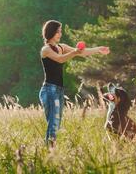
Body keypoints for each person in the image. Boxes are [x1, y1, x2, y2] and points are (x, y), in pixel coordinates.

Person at [39, 20, 110, 148]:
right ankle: (49, 150)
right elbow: (60, 59)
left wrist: (99, 49)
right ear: (51, 32)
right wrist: (74, 52)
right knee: (54, 122)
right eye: (58, 31)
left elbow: (82, 52)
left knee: (57, 123)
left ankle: (50, 149)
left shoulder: (62, 47)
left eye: (60, 31)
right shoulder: (46, 50)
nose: (60, 34)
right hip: (49, 90)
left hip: (59, 90)